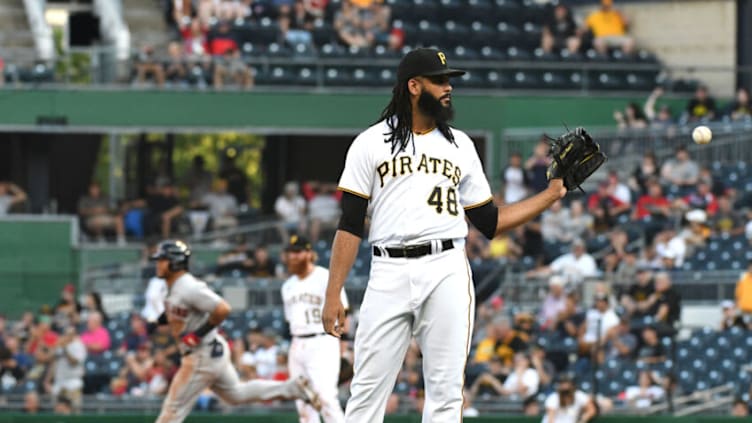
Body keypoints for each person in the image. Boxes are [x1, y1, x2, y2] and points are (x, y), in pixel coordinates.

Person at [321, 48, 568, 422]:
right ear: (414, 86)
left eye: (449, 80)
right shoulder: (370, 143)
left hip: (447, 267)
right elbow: (350, 224)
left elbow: (489, 222)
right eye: (440, 80)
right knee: (366, 392)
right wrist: (333, 291)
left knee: (446, 394)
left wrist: (550, 195)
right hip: (388, 270)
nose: (448, 87)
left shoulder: (460, 145)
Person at [147, 240, 320, 423]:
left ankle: (295, 388)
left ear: (175, 262)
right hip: (211, 352)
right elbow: (177, 310)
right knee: (236, 394)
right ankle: (294, 388)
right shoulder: (174, 285)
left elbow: (222, 308)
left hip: (200, 355)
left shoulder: (188, 286)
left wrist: (197, 334)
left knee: (172, 410)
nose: (158, 264)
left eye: (162, 260)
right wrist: (157, 322)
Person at [282, 235, 349, 422]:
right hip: (297, 343)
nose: (293, 256)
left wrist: (344, 351)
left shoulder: (325, 277)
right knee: (303, 402)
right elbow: (289, 321)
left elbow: (344, 314)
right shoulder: (288, 286)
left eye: (298, 251)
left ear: (309, 253)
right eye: (290, 252)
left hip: (323, 341)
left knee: (326, 398)